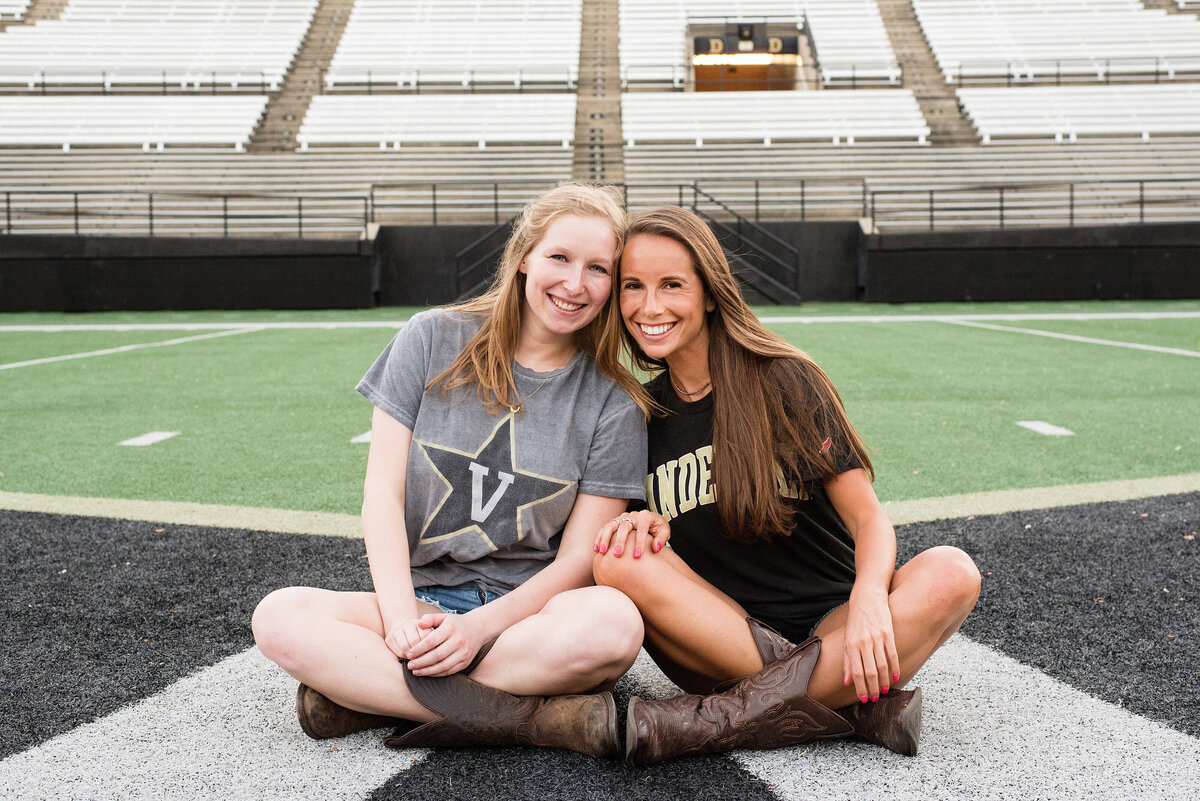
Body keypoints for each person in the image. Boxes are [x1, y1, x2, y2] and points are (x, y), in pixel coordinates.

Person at [252, 183, 659, 759]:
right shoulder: (430, 337)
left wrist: (478, 631)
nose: (575, 283)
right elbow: (382, 495)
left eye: (598, 269)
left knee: (614, 625)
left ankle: (370, 696)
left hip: (525, 621)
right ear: (524, 259)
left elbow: (576, 561)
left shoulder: (615, 404)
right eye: (560, 257)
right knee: (279, 617)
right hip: (422, 605)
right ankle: (531, 720)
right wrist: (398, 621)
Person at [593, 206, 981, 765]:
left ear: (708, 292)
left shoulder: (783, 378)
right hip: (718, 644)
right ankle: (850, 706)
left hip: (836, 623)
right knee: (615, 558)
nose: (649, 307)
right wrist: (639, 521)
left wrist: (870, 597)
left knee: (952, 572)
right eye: (633, 286)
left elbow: (867, 519)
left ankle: (720, 719)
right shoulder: (636, 412)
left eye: (671, 285)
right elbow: (645, 547)